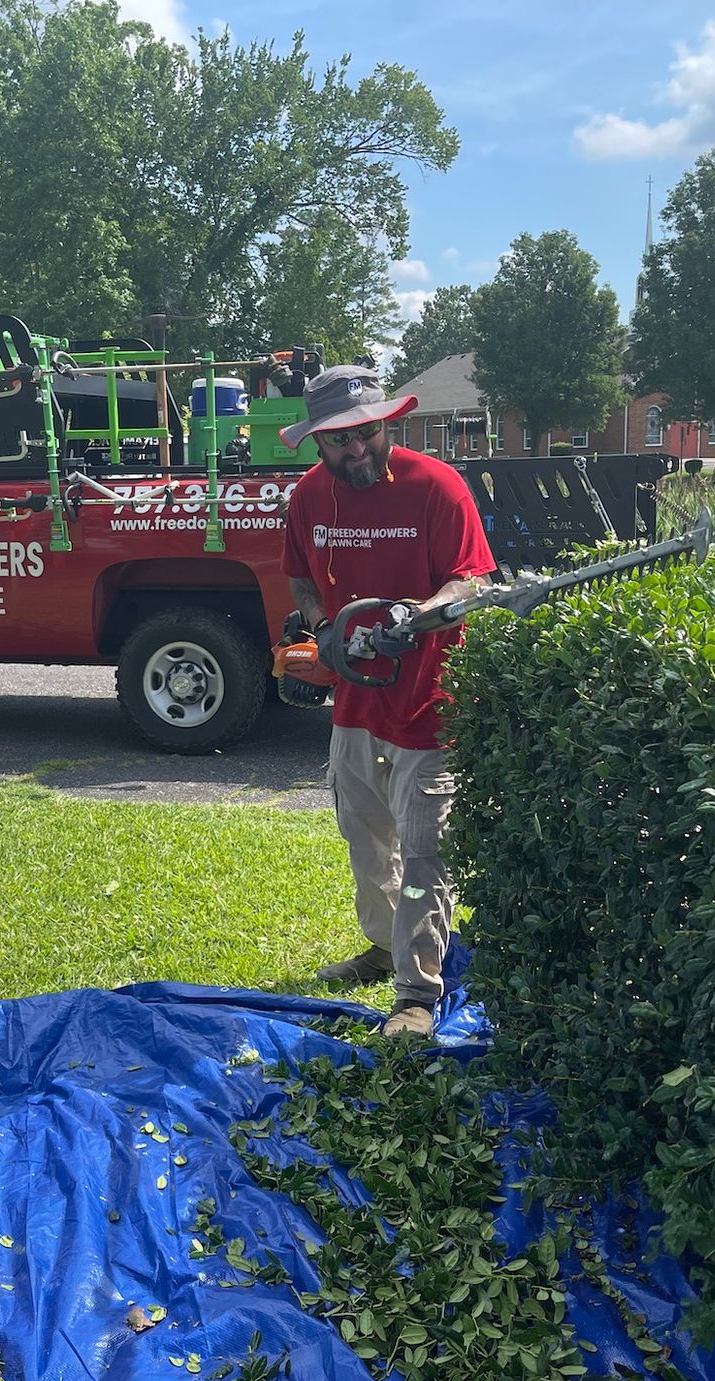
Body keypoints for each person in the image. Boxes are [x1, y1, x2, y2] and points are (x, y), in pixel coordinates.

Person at [279, 367, 496, 1038]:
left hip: (430, 702)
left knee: (423, 851)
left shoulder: (437, 486)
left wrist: (418, 614)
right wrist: (324, 633)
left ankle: (416, 994)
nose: (357, 451)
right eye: (341, 441)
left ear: (385, 424)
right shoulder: (311, 497)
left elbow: (471, 582)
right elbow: (301, 580)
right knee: (366, 837)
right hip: (355, 706)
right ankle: (381, 946)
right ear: (318, 442)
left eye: (368, 433)